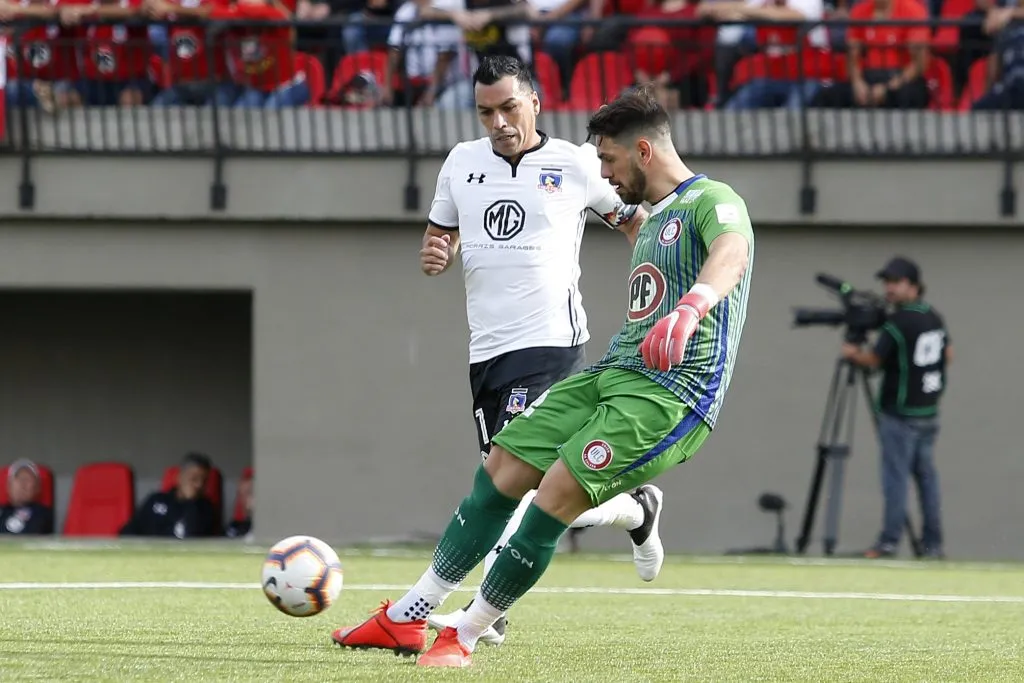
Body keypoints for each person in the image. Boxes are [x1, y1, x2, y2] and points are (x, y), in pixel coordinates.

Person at [331, 85, 754, 668]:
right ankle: (412, 613)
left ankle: (467, 635)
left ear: (644, 153)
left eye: (608, 159)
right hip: (612, 371)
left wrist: (692, 307)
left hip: (672, 394)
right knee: (498, 472)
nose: (602, 171)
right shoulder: (654, 217)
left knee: (551, 496)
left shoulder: (713, 199)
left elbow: (731, 248)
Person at [370, 53, 660, 649]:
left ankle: (475, 615)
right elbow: (441, 229)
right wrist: (437, 250)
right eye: (485, 112)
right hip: (487, 350)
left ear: (533, 100)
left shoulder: (576, 163)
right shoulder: (461, 162)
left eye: (508, 107)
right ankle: (634, 511)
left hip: (551, 342)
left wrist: (656, 280)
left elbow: (631, 220)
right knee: (516, 490)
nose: (498, 121)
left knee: (516, 489)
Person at [841, 257, 951, 559]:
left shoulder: (898, 322)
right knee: (927, 479)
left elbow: (874, 360)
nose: (889, 288)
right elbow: (948, 354)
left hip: (899, 413)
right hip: (928, 411)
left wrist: (853, 353)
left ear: (913, 286)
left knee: (896, 480)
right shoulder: (933, 317)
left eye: (896, 282)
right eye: (887, 282)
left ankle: (888, 541)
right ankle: (933, 545)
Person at [120, 452, 218, 538]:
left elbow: (191, 534)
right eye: (194, 479)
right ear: (179, 477)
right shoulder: (156, 500)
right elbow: (129, 531)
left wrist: (190, 502)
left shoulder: (206, 509)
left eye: (204, 481)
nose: (199, 485)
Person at [0, 459, 54, 535]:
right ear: (9, 486)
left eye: (27, 479)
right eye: (19, 478)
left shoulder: (41, 514)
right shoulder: (2, 511)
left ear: (37, 487)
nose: (23, 484)